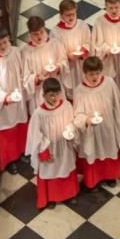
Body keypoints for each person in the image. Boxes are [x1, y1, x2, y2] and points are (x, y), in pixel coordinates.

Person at [72, 56, 120, 189]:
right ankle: (93, 179)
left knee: (109, 149)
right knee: (94, 152)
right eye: (91, 74)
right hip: (92, 130)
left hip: (108, 125)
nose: (95, 76)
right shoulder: (80, 90)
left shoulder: (109, 83)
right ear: (85, 73)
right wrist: (87, 120)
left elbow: (117, 102)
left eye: (97, 73)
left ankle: (110, 176)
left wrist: (119, 121)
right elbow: (77, 114)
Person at [0, 26, 31, 172]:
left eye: (4, 42)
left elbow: (24, 71)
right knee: (7, 131)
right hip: (4, 105)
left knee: (21, 124)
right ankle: (10, 161)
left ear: (8, 39)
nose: (3, 46)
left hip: (19, 97)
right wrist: (6, 98)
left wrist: (27, 84)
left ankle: (21, 152)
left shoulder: (16, 52)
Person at [24, 78, 79, 209]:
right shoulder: (39, 113)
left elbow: (72, 121)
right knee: (50, 171)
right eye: (50, 95)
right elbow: (35, 135)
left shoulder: (66, 106)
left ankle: (68, 194)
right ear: (43, 96)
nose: (54, 98)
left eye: (57, 94)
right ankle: (51, 197)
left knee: (66, 167)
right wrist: (42, 150)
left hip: (64, 146)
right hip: (49, 149)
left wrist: (71, 130)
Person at [18, 16, 68, 109]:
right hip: (40, 91)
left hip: (55, 83)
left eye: (41, 32)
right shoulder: (25, 51)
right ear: (29, 33)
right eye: (35, 34)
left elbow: (64, 62)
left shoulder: (55, 44)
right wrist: (37, 78)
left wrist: (58, 67)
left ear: (44, 28)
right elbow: (25, 77)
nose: (39, 36)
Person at [90, 0, 120, 82]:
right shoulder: (99, 22)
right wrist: (106, 49)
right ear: (105, 6)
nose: (114, 11)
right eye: (110, 8)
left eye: (116, 7)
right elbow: (96, 43)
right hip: (107, 60)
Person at [54, 0, 91, 97]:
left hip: (81, 63)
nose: (71, 17)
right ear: (61, 15)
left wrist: (82, 51)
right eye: (68, 15)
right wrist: (67, 56)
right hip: (68, 67)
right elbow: (55, 51)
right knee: (71, 91)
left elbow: (88, 42)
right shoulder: (56, 32)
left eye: (73, 14)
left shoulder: (82, 25)